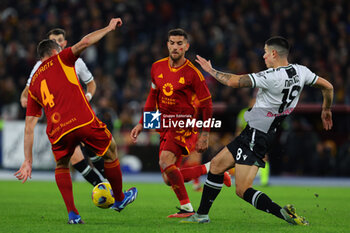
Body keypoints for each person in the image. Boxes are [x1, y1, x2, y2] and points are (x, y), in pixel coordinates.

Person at [182, 36, 333, 225]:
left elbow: (234, 82)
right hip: (261, 132)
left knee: (242, 189)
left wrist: (210, 70)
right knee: (216, 166)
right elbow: (328, 87)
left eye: (265, 52)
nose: (263, 56)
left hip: (257, 134)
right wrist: (326, 109)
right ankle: (202, 215)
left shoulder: (271, 77)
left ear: (274, 54)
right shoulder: (301, 72)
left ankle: (283, 213)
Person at [14, 18, 138, 224]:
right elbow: (85, 42)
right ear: (55, 51)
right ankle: (119, 198)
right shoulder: (62, 58)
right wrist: (108, 28)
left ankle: (73, 214)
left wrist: (28, 160)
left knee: (62, 165)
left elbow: (29, 127)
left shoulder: (34, 83)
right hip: (81, 120)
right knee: (111, 150)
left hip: (58, 131)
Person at [130, 28, 231, 218]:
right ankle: (212, 169)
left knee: (164, 161)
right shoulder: (157, 67)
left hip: (184, 124)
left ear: (186, 46)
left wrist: (205, 133)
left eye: (179, 43)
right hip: (164, 124)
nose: (175, 47)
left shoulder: (193, 74)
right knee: (169, 178)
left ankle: (187, 208)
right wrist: (142, 123)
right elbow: (153, 96)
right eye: (172, 43)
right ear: (167, 45)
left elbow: (207, 104)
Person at [20, 28, 105, 186]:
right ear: (50, 47)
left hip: (78, 112)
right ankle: (101, 187)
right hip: (58, 118)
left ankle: (107, 182)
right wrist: (24, 97)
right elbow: (28, 89)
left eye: (59, 40)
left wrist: (88, 97)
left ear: (63, 44)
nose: (57, 44)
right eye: (54, 41)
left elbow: (91, 83)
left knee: (90, 148)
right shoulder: (39, 66)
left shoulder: (73, 59)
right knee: (76, 159)